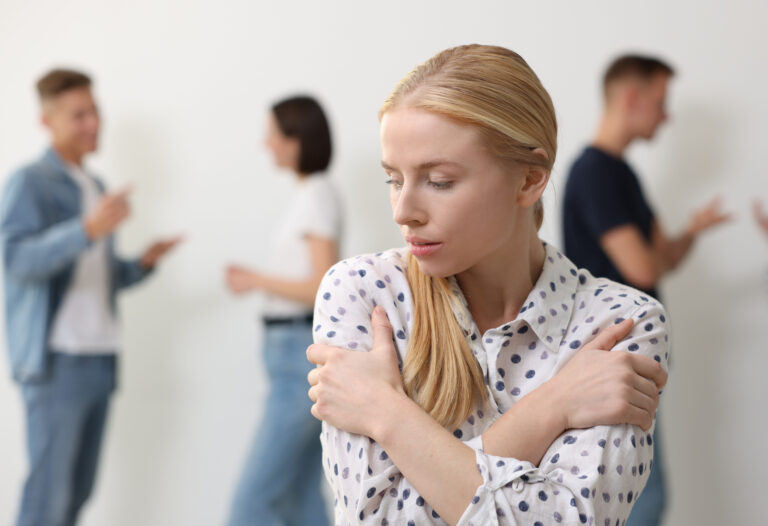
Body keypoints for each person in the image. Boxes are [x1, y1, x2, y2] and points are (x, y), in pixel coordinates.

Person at [305, 44, 669, 526]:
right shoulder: (362, 293)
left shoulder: (621, 323)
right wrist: (552, 407)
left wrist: (385, 414)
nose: (403, 211)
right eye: (394, 179)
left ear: (529, 181)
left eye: (438, 180)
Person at [1, 69, 181, 526]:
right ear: (47, 120)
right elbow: (15, 259)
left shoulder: (95, 186)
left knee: (78, 496)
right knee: (47, 501)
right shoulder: (31, 182)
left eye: (94, 111)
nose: (91, 124)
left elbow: (99, 278)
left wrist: (142, 263)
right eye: (77, 115)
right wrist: (85, 230)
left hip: (100, 359)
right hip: (56, 361)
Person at [562, 54, 730, 526]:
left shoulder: (623, 175)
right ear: (631, 99)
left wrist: (692, 232)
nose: (666, 114)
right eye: (660, 101)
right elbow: (641, 266)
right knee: (642, 501)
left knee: (644, 497)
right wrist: (656, 253)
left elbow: (660, 261)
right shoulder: (594, 172)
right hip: (614, 359)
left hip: (635, 360)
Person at [225, 95, 341, 526]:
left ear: (297, 140)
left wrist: (256, 280)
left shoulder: (316, 195)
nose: (266, 144)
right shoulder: (309, 195)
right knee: (298, 497)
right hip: (289, 353)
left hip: (297, 354)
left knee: (251, 503)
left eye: (272, 135)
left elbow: (323, 285)